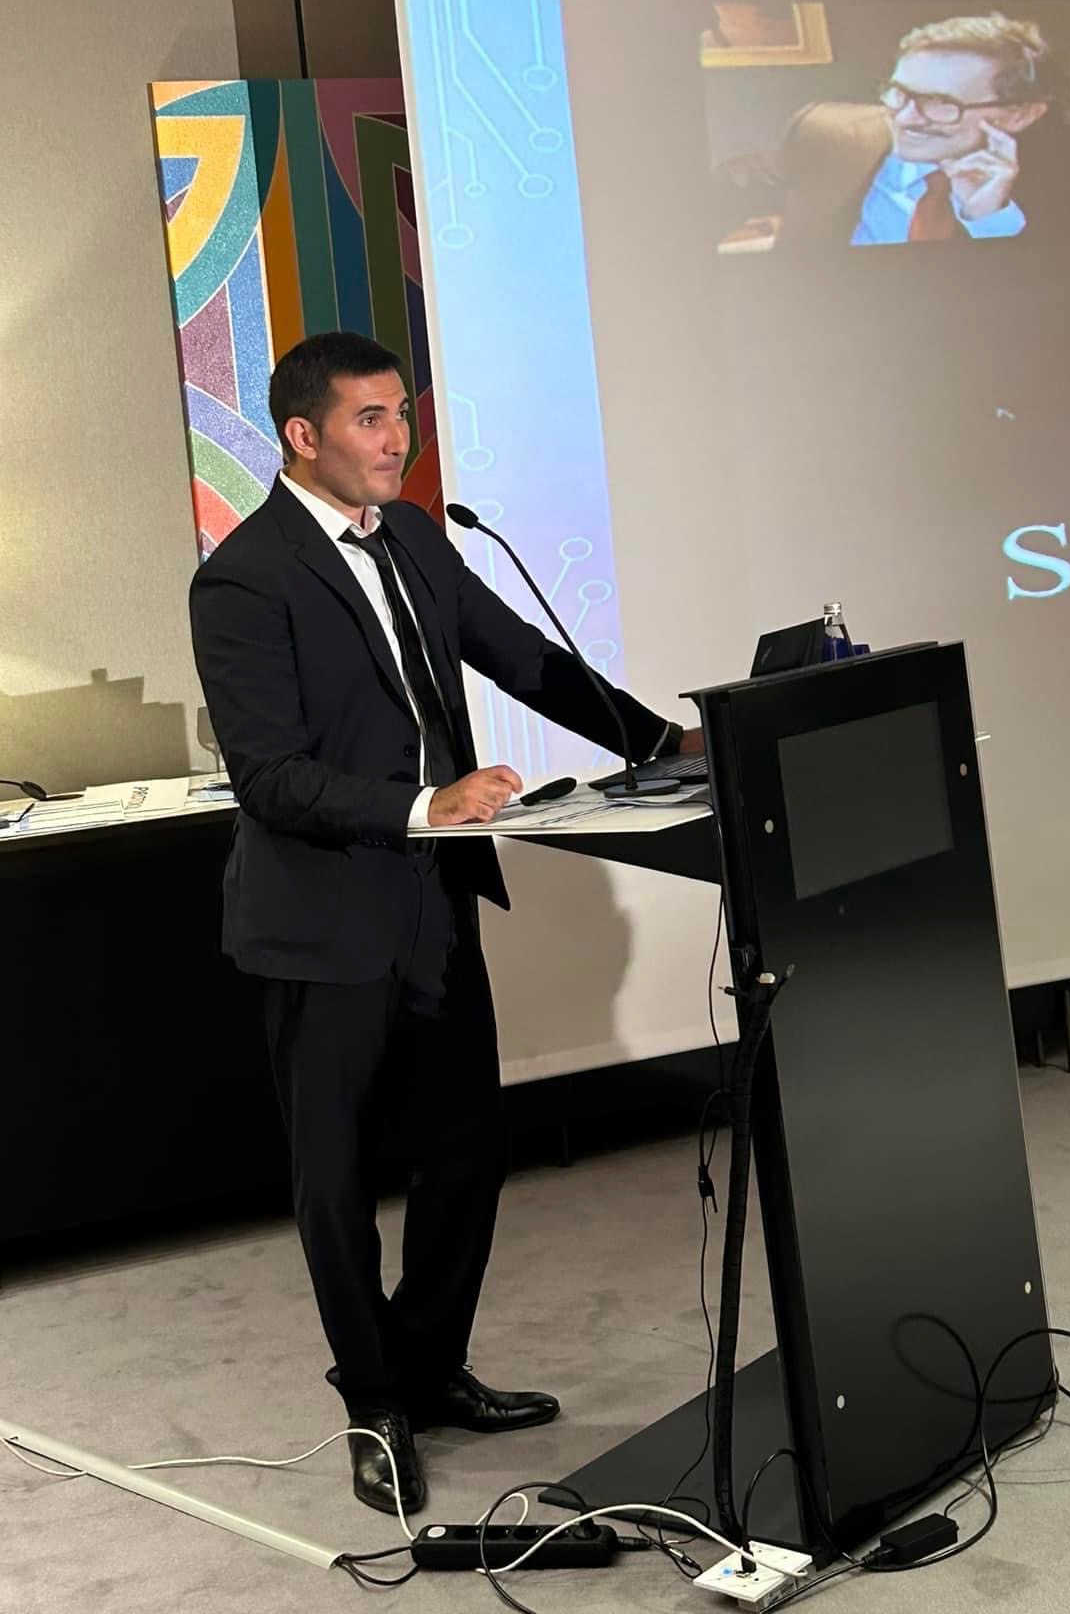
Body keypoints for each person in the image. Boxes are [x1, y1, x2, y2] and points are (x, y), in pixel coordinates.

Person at [188, 331, 699, 1520]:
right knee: (336, 1181)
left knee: (467, 1148)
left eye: (402, 414)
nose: (398, 438)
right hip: (321, 919)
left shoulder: (416, 535)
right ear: (303, 435)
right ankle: (373, 1401)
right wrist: (428, 804)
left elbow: (524, 659)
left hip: (435, 901)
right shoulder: (244, 579)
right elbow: (270, 776)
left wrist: (662, 742)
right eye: (370, 418)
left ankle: (427, 1366)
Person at [715, 12, 1070, 249]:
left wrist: (990, 220)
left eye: (941, 104)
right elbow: (721, 189)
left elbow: (1066, 312)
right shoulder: (828, 133)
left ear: (1020, 115)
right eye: (899, 93)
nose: (904, 119)